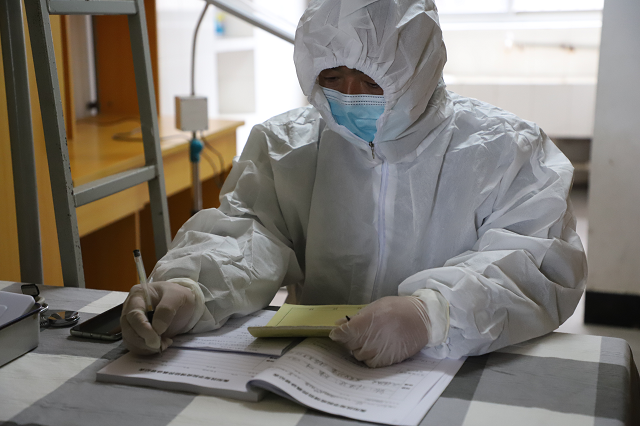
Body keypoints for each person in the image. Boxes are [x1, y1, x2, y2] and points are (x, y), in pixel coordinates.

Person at [121, 0, 587, 368]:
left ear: (418, 70)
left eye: (369, 79)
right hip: (319, 365)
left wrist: (434, 314)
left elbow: (534, 263)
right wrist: (194, 285)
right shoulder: (287, 146)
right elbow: (251, 233)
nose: (349, 95)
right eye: (332, 77)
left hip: (454, 362)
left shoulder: (507, 150)